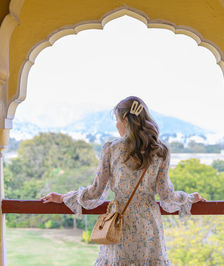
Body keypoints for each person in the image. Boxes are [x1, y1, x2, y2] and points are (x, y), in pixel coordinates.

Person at [41, 96, 206, 265]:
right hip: (149, 226)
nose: (116, 125)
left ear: (125, 120)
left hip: (120, 223)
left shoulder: (111, 149)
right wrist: (190, 199)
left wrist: (63, 198)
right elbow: (166, 194)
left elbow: (96, 191)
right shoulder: (160, 150)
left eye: (117, 120)